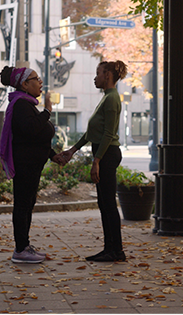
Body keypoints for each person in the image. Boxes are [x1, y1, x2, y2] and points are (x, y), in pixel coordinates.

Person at [60, 61, 128, 262]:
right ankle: (110, 249)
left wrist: (97, 161)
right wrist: (73, 150)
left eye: (98, 73)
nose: (94, 77)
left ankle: (116, 251)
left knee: (108, 204)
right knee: (103, 203)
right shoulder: (106, 98)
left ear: (107, 75)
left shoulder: (112, 98)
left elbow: (109, 133)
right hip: (103, 152)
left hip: (107, 154)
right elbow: (93, 132)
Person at [0, 66, 64, 264]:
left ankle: (24, 246)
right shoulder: (20, 105)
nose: (41, 82)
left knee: (27, 205)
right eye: (36, 78)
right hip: (25, 164)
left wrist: (53, 156)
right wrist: (47, 111)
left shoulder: (25, 104)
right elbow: (32, 129)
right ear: (25, 84)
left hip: (31, 163)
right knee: (23, 205)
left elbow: (35, 138)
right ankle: (20, 249)